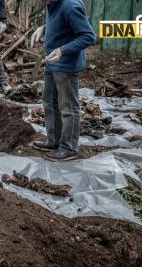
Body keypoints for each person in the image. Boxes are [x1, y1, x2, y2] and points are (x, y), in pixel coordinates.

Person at [30, 0, 96, 161]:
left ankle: (69, 148)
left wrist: (63, 50)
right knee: (49, 103)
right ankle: (54, 141)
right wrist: (43, 28)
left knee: (68, 107)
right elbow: (61, 24)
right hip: (52, 61)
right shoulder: (50, 3)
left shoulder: (71, 6)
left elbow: (88, 36)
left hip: (66, 64)